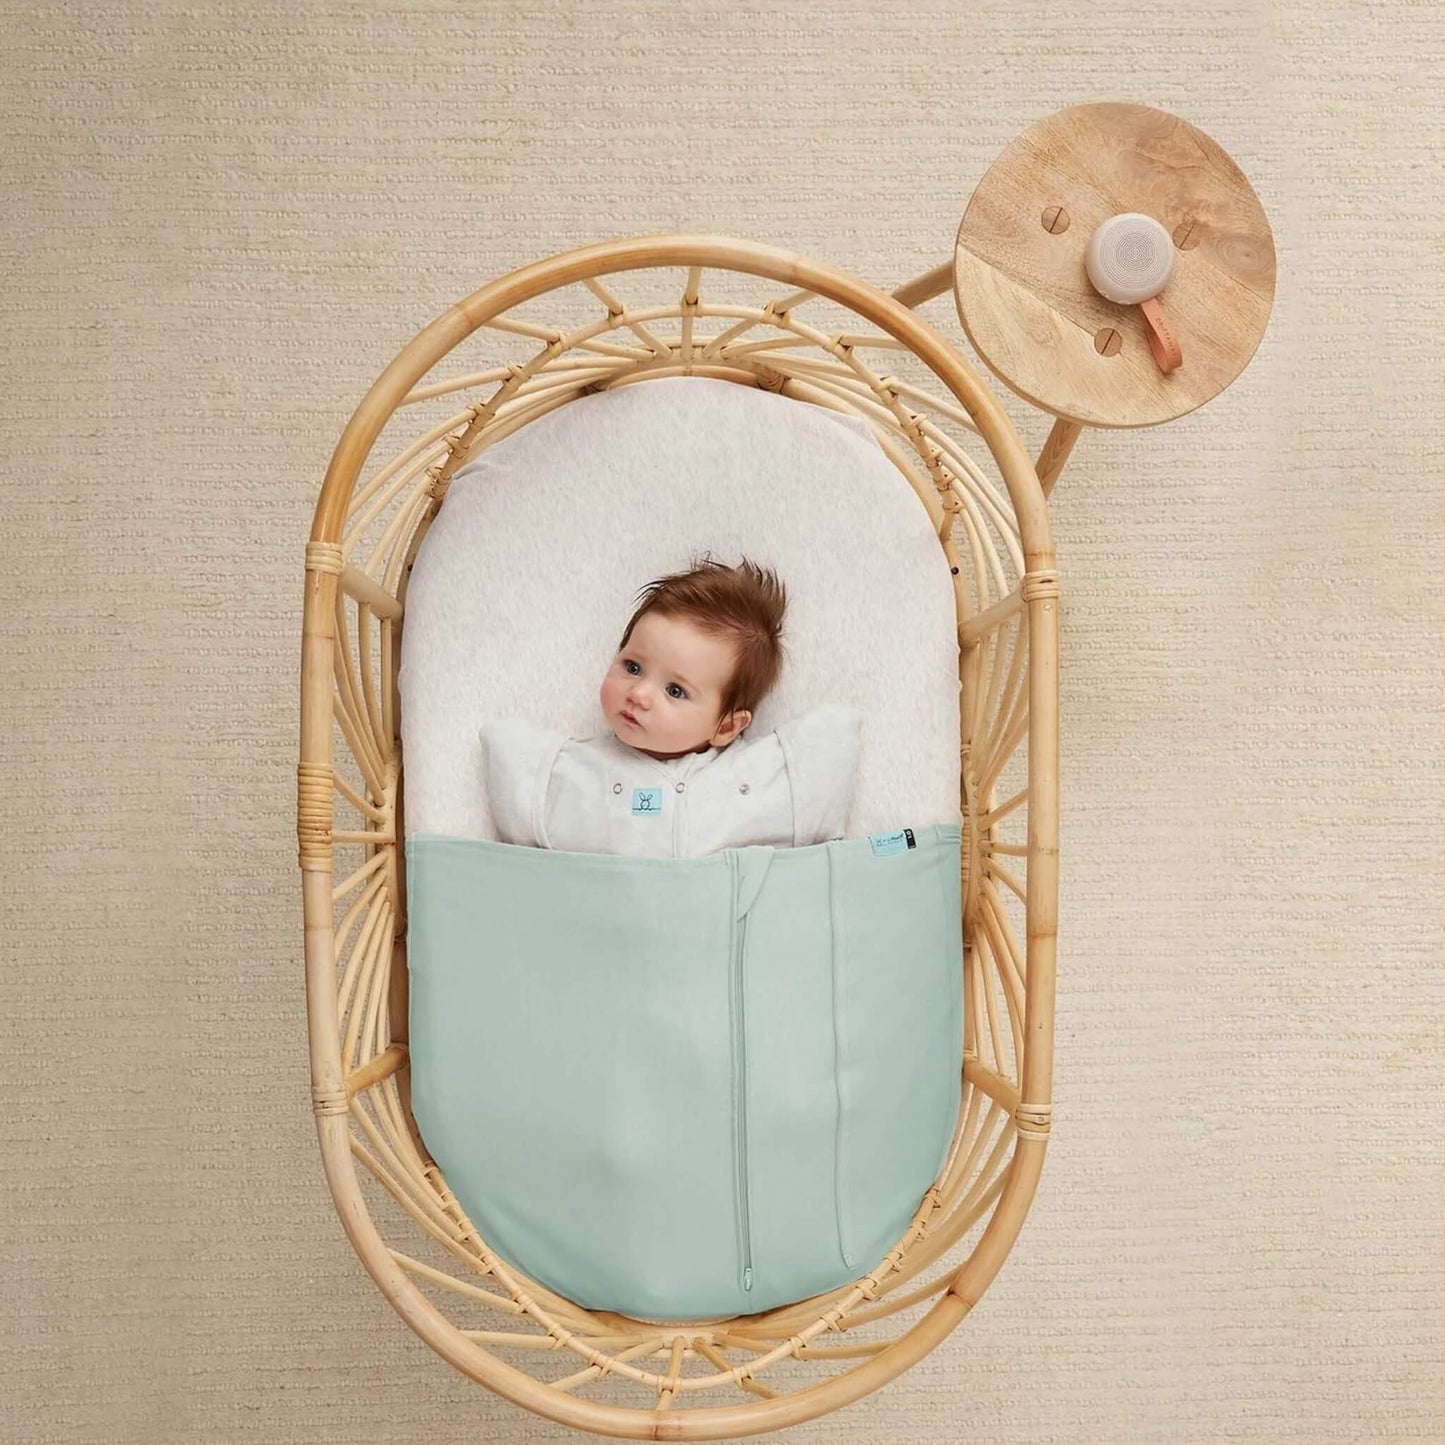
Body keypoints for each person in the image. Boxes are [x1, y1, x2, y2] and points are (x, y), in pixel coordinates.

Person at [479, 554, 862, 858]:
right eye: (632, 667)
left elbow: (830, 743)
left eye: (675, 691)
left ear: (727, 727)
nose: (639, 694)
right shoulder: (574, 773)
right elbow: (510, 758)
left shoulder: (753, 781)